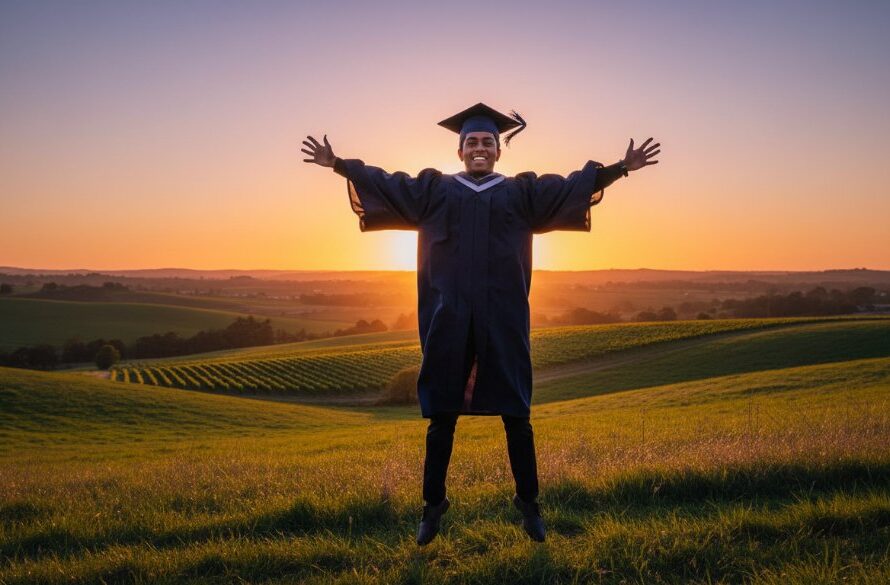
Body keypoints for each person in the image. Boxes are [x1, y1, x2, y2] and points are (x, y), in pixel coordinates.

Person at [301, 102, 660, 545]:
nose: (479, 148)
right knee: (441, 419)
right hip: (447, 321)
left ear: (497, 150)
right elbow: (386, 184)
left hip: (503, 322)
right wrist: (338, 165)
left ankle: (529, 506)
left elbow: (570, 187)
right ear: (459, 149)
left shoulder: (521, 193)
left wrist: (619, 169)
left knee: (516, 417)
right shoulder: (433, 190)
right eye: (471, 142)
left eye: (487, 142)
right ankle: (432, 508)